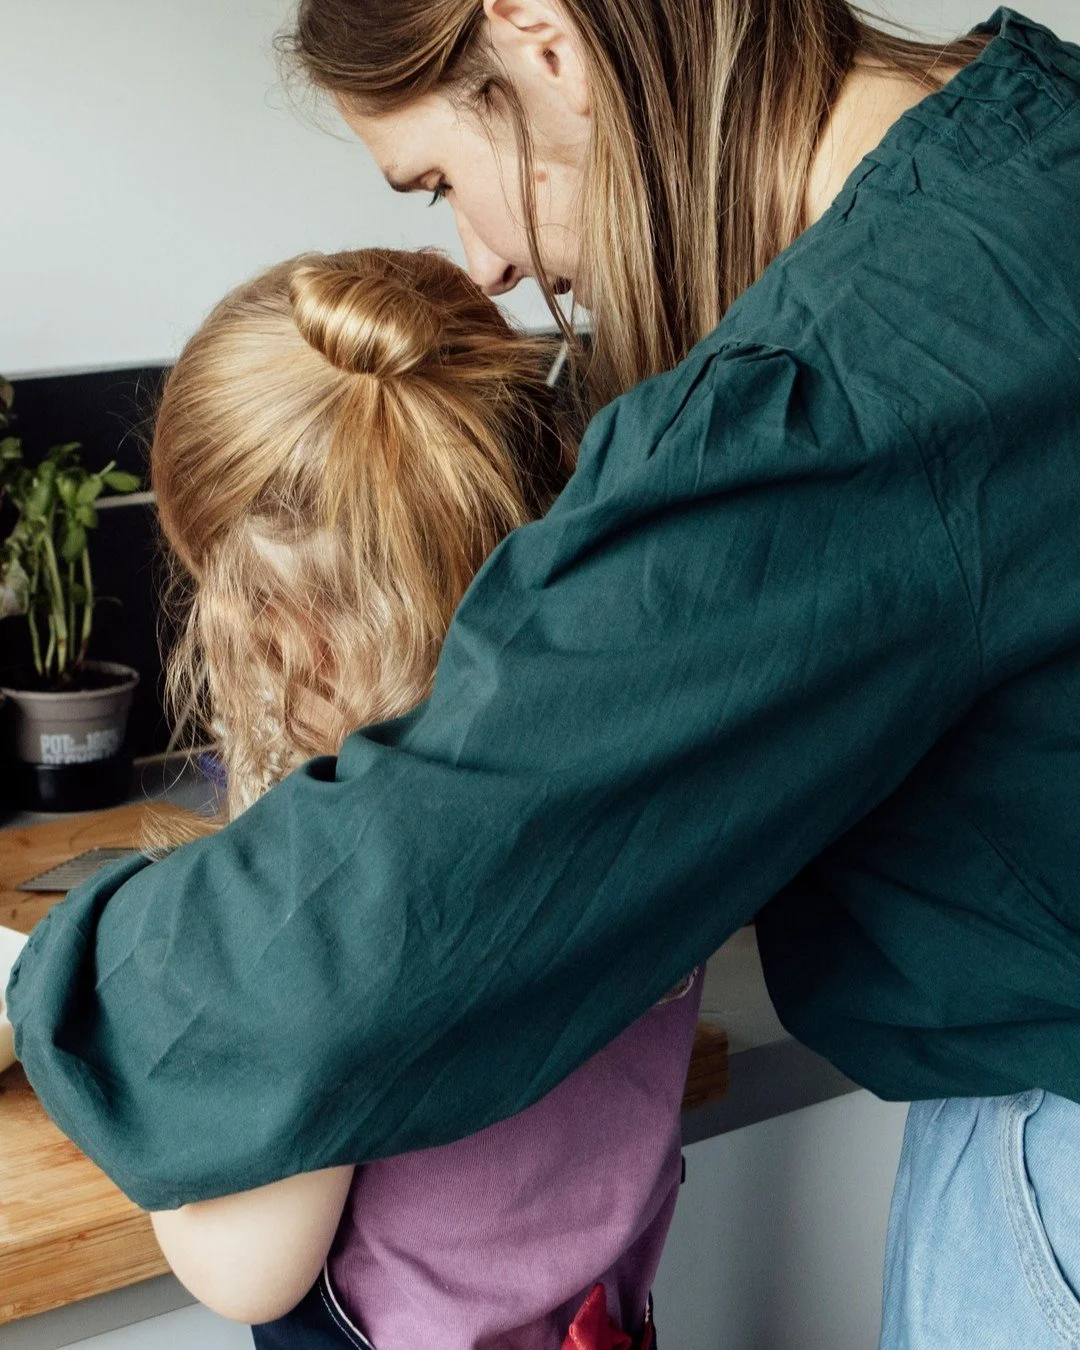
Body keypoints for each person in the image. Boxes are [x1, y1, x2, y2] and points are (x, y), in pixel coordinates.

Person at [6, 4, 1080, 1346]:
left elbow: (402, 898)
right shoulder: (1043, 147)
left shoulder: (855, 382)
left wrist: (60, 973)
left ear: (541, 39)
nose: (487, 262)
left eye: (442, 179)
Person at [138, 244, 699, 1349]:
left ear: (274, 628)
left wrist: (149, 1103)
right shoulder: (646, 755)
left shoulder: (345, 889)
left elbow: (250, 1269)